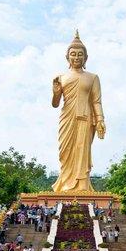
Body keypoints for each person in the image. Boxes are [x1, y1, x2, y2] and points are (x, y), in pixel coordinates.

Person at [51, 31, 106, 192]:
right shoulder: (61, 78)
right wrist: (55, 92)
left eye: (80, 54)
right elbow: (55, 104)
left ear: (86, 57)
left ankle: (82, 184)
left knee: (82, 150)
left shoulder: (93, 77)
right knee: (65, 151)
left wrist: (101, 119)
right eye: (73, 54)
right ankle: (64, 184)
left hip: (86, 118)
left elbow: (96, 101)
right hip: (67, 118)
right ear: (67, 57)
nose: (76, 57)